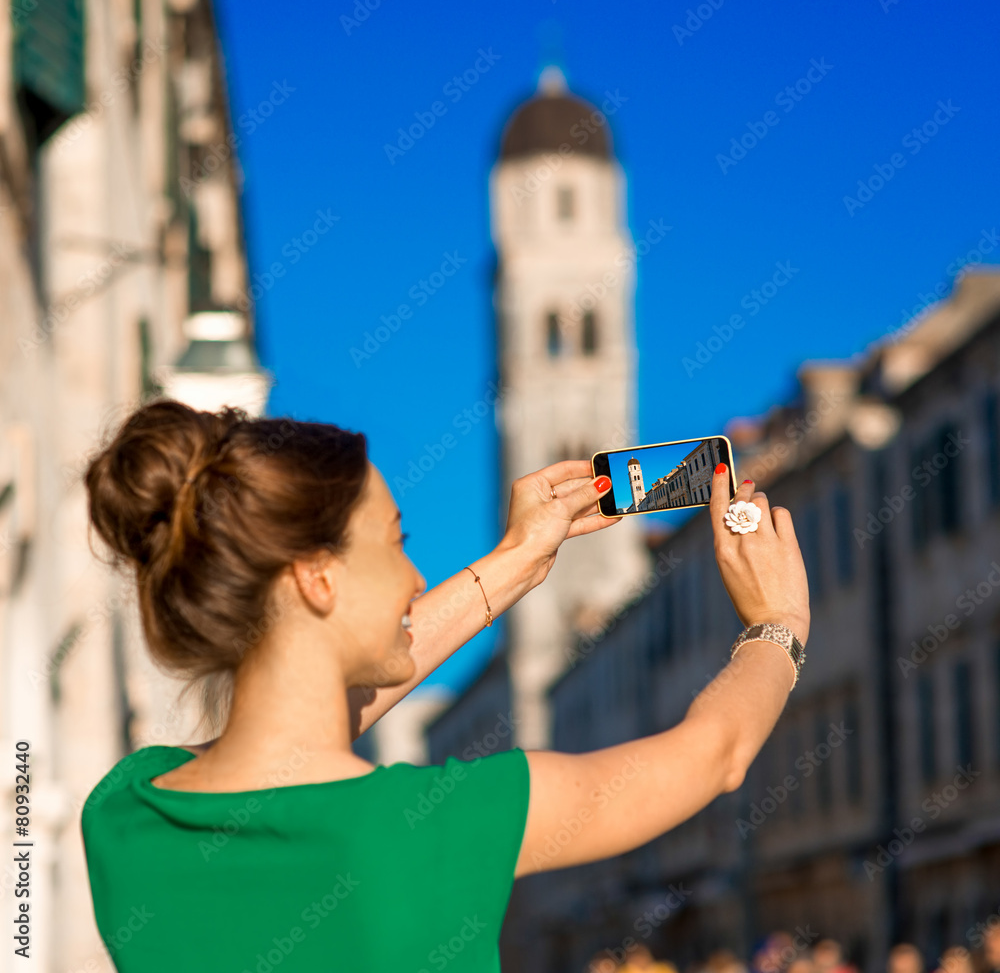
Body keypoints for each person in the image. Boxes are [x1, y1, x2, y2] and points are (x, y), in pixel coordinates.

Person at [79, 400, 810, 971]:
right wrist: (775, 623)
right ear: (315, 575)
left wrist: (519, 561)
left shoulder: (123, 812)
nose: (415, 575)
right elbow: (718, 752)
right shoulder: (432, 827)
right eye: (396, 540)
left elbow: (295, 723)